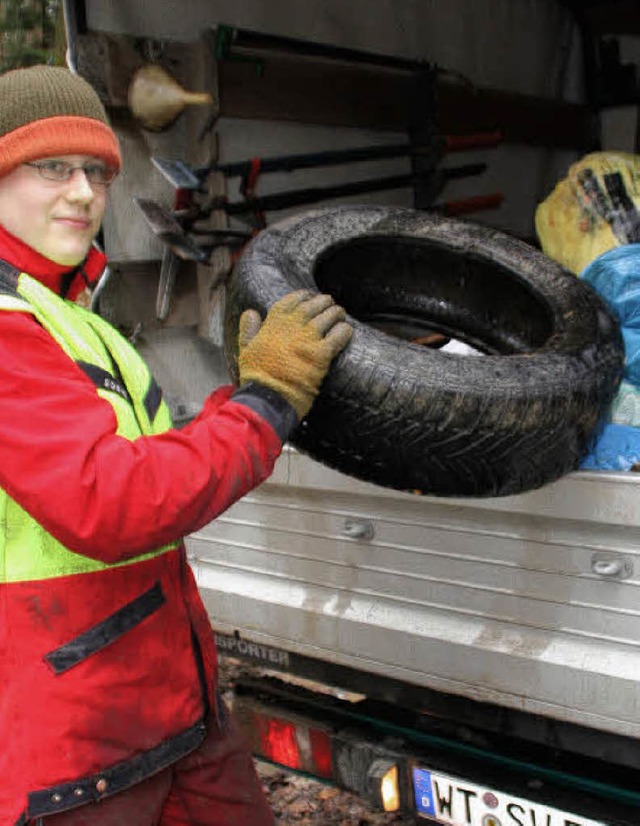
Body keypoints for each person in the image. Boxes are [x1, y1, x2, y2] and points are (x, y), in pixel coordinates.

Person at [0, 64, 353, 826]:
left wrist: (246, 399)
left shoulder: (72, 315)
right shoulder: (5, 325)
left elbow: (149, 456)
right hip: (71, 749)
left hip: (169, 704)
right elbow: (109, 501)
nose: (84, 193)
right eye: (51, 168)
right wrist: (265, 405)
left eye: (96, 170)